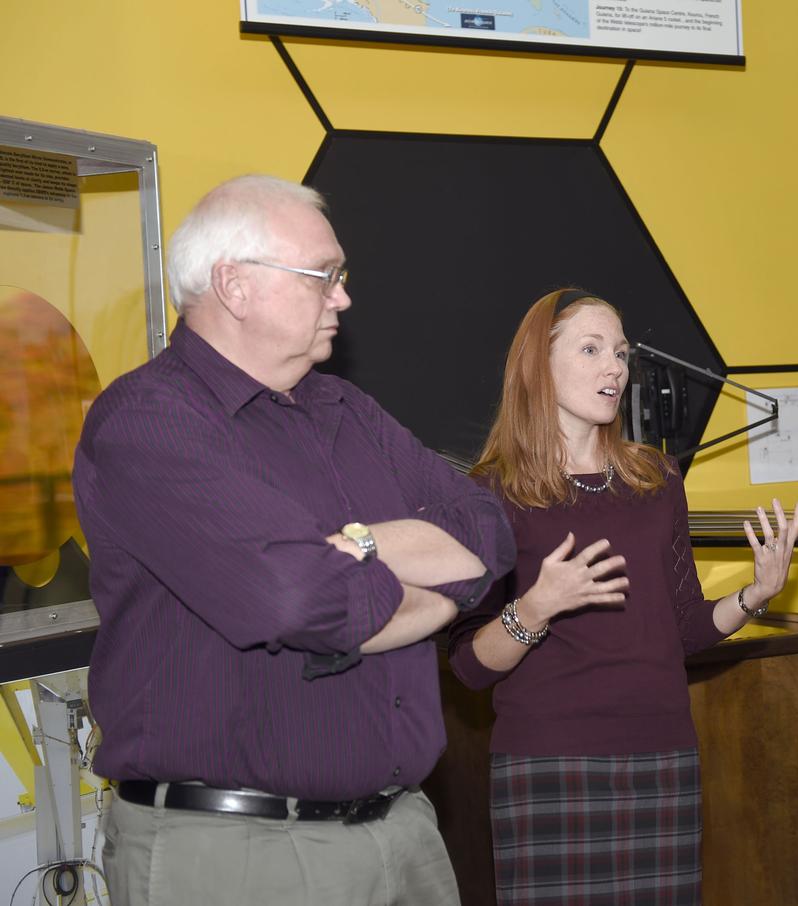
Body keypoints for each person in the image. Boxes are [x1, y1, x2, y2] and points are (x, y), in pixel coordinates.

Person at [72, 175, 515, 906]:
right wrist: (434, 590)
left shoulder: (346, 408)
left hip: (405, 832)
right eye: (323, 275)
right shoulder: (149, 420)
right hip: (238, 852)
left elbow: (489, 530)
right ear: (234, 286)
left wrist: (357, 547)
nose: (343, 298)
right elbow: (296, 599)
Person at [447, 288, 798, 905]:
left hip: (662, 758)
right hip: (548, 765)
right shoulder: (491, 494)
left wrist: (756, 594)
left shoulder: (656, 480)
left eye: (620, 353)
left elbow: (684, 628)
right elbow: (470, 666)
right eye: (591, 350)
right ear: (537, 365)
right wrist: (536, 606)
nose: (614, 367)